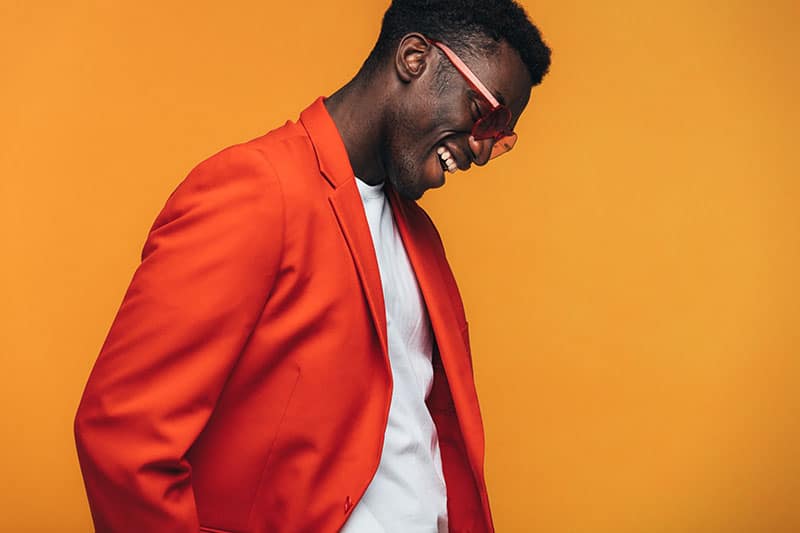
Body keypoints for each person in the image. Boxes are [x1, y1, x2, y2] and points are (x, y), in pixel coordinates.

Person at [73, 0, 551, 531]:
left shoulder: (421, 238)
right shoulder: (256, 191)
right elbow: (124, 437)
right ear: (415, 58)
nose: (482, 151)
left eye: (499, 137)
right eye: (485, 114)